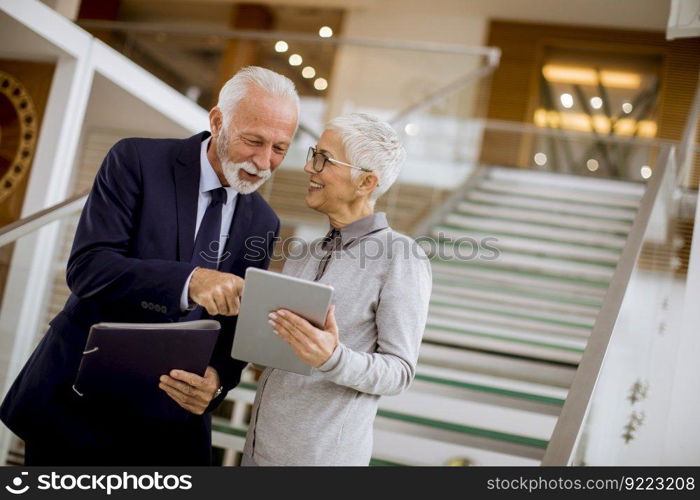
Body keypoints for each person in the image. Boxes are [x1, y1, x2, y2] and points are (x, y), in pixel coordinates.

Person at [0, 66, 299, 465]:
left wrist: (217, 380)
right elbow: (89, 267)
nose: (264, 161)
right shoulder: (136, 160)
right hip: (78, 405)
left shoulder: (264, 221)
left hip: (170, 426)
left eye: (280, 148)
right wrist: (190, 281)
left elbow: (234, 328)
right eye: (253, 141)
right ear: (217, 121)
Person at [242, 113, 432, 466]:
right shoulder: (304, 253)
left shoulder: (400, 257)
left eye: (324, 159)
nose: (309, 168)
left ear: (365, 183)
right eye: (314, 154)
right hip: (257, 452)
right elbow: (276, 361)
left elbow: (399, 372)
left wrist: (332, 358)